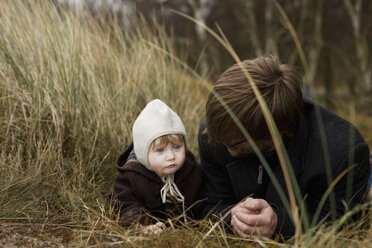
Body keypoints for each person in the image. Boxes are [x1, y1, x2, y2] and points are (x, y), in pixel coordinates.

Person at [198, 55, 371, 239]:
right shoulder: (213, 134)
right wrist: (233, 217)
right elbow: (210, 207)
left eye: (232, 143)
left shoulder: (343, 151)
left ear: (276, 135)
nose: (218, 142)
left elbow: (342, 226)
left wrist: (279, 224)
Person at [109, 99, 203, 235]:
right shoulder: (130, 177)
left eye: (177, 147)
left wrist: (193, 226)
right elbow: (123, 205)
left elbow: (202, 204)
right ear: (143, 153)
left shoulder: (193, 172)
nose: (171, 156)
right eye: (160, 150)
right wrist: (141, 225)